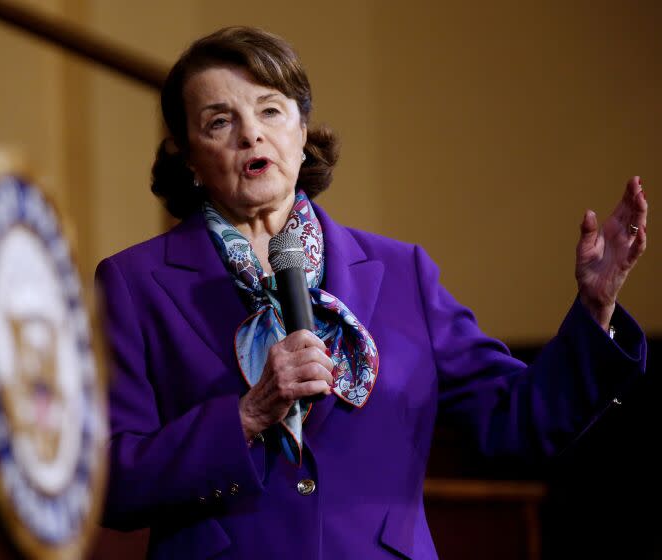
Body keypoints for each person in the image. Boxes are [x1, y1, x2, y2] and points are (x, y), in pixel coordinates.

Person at [95, 26, 648, 559]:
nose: (250, 134)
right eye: (219, 121)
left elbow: (517, 421)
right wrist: (244, 417)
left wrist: (595, 309)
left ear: (302, 132)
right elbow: (111, 480)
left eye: (270, 110)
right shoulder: (135, 283)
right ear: (188, 158)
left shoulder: (402, 270)